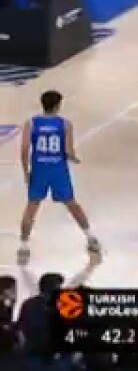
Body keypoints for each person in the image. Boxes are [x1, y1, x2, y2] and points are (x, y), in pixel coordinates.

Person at [17, 90, 100, 265]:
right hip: (58, 171)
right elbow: (68, 152)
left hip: (39, 170)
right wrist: (75, 158)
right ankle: (90, 238)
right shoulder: (65, 124)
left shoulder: (31, 123)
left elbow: (24, 151)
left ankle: (23, 246)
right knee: (72, 204)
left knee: (31, 208)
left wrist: (26, 173)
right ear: (57, 106)